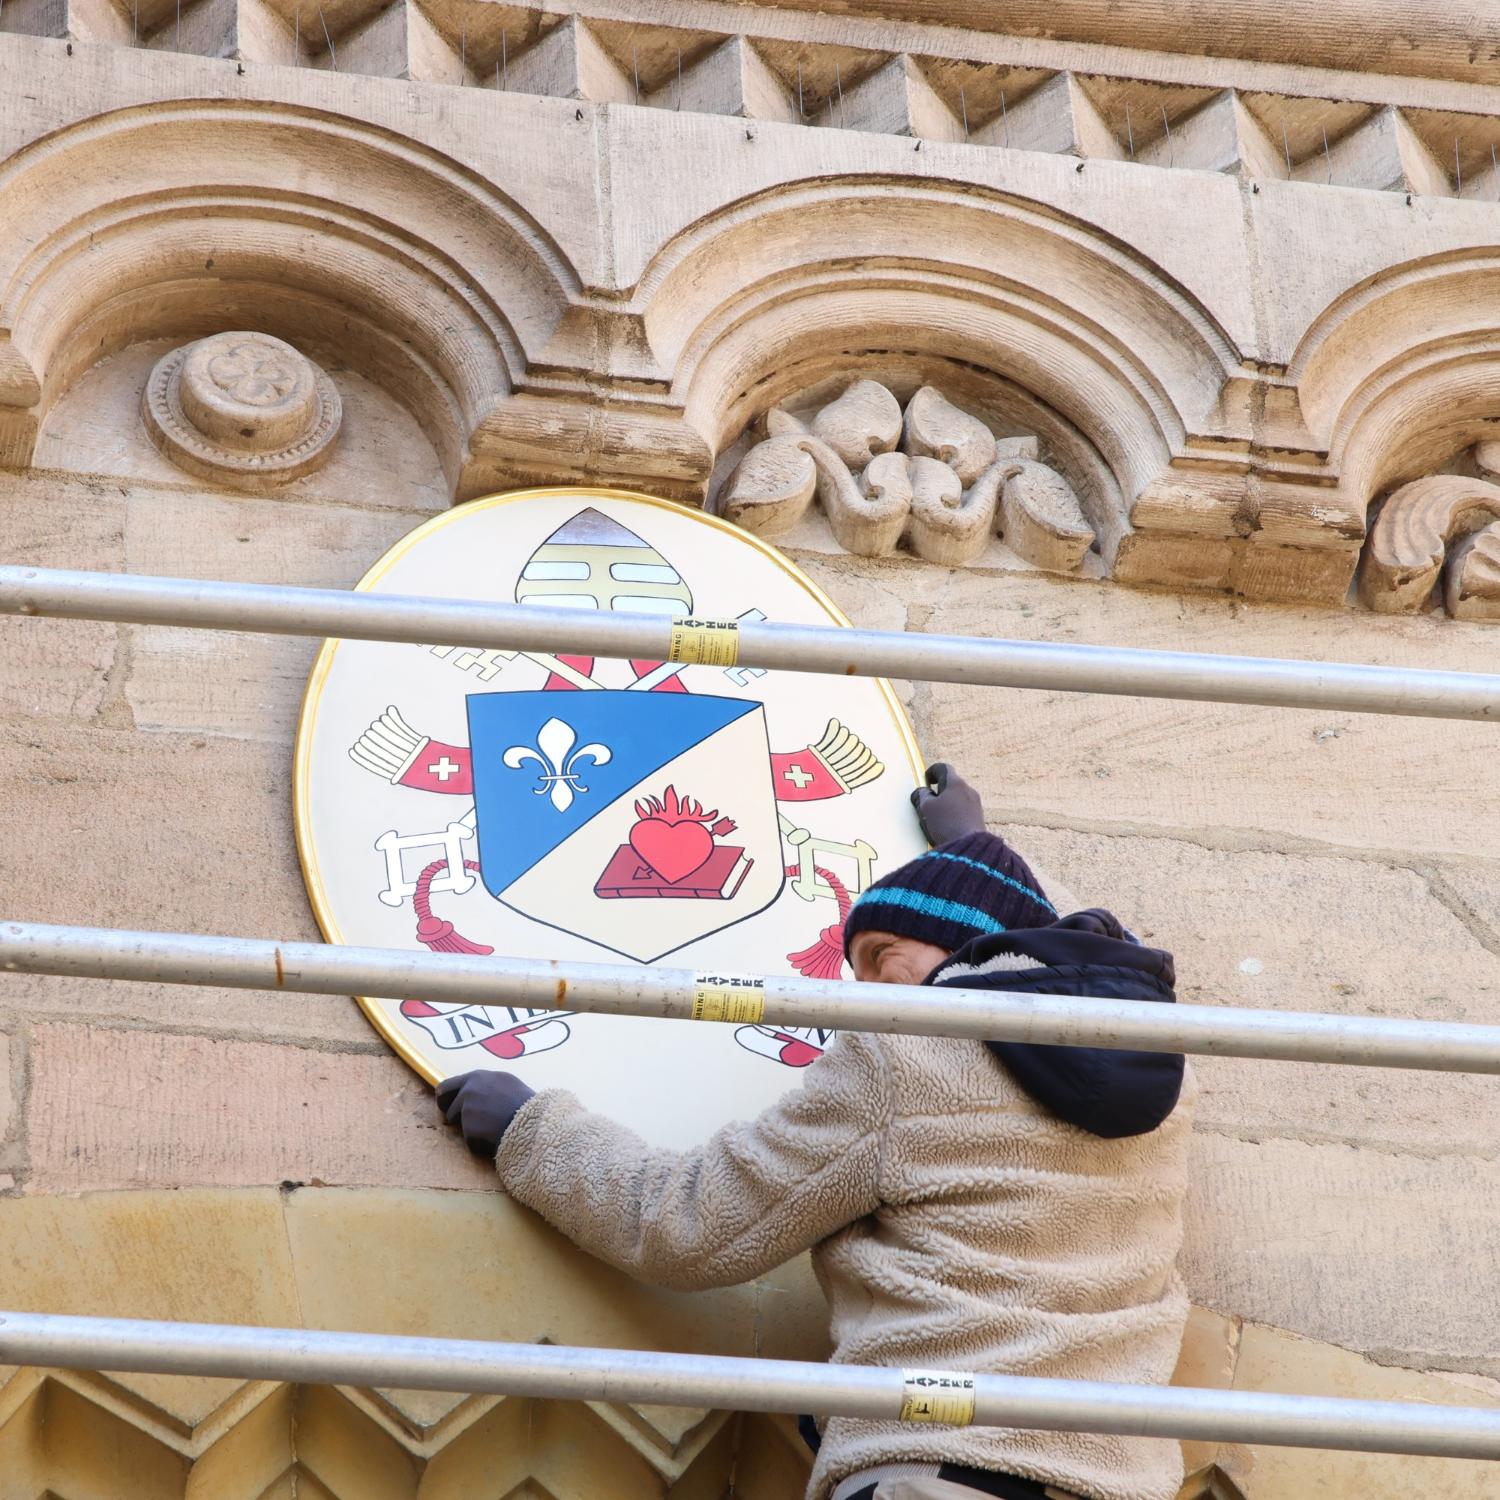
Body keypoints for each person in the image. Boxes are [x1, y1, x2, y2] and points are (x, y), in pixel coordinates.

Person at [437, 765, 1195, 1500]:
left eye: (877, 960)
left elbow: (694, 1225)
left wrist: (529, 1131)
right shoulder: (1163, 1064)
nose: (865, 996)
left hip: (941, 1463)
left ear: (961, 945)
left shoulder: (906, 1054)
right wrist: (971, 846)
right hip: (1113, 1475)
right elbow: (1072, 945)